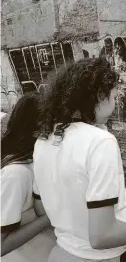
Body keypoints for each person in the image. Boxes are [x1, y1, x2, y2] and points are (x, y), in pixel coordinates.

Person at [32, 58, 126, 262]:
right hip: (111, 254)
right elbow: (102, 236)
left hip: (66, 249)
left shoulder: (45, 139)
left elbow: (42, 207)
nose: (115, 104)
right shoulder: (100, 141)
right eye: (113, 97)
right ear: (98, 97)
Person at [1, 92, 56, 262]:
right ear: (37, 131)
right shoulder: (16, 174)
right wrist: (51, 217)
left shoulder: (37, 162)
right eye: (55, 128)